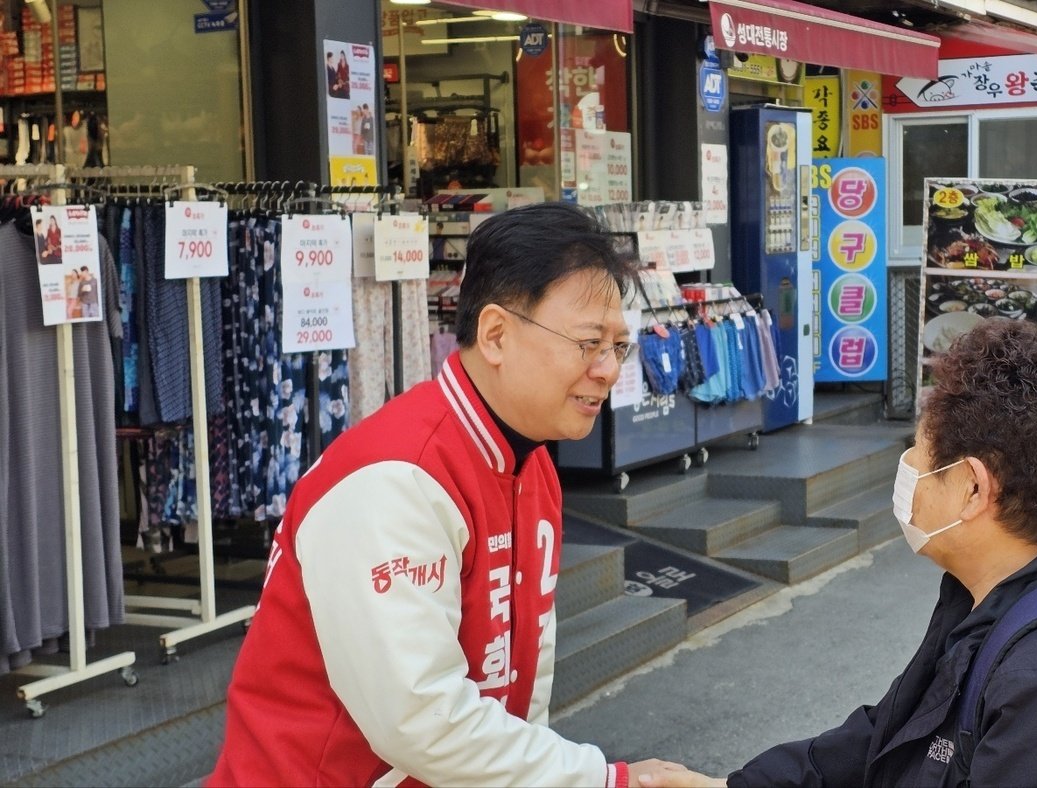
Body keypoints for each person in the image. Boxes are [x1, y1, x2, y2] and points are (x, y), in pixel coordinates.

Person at [209, 203, 689, 787]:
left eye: (618, 346)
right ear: (495, 334)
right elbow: (419, 718)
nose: (608, 369)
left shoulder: (530, 460)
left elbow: (522, 681)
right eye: (589, 343)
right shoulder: (394, 479)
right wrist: (606, 780)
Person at [647, 320, 1037, 788]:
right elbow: (889, 740)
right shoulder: (997, 593)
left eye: (918, 449)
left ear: (972, 489)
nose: (908, 464)